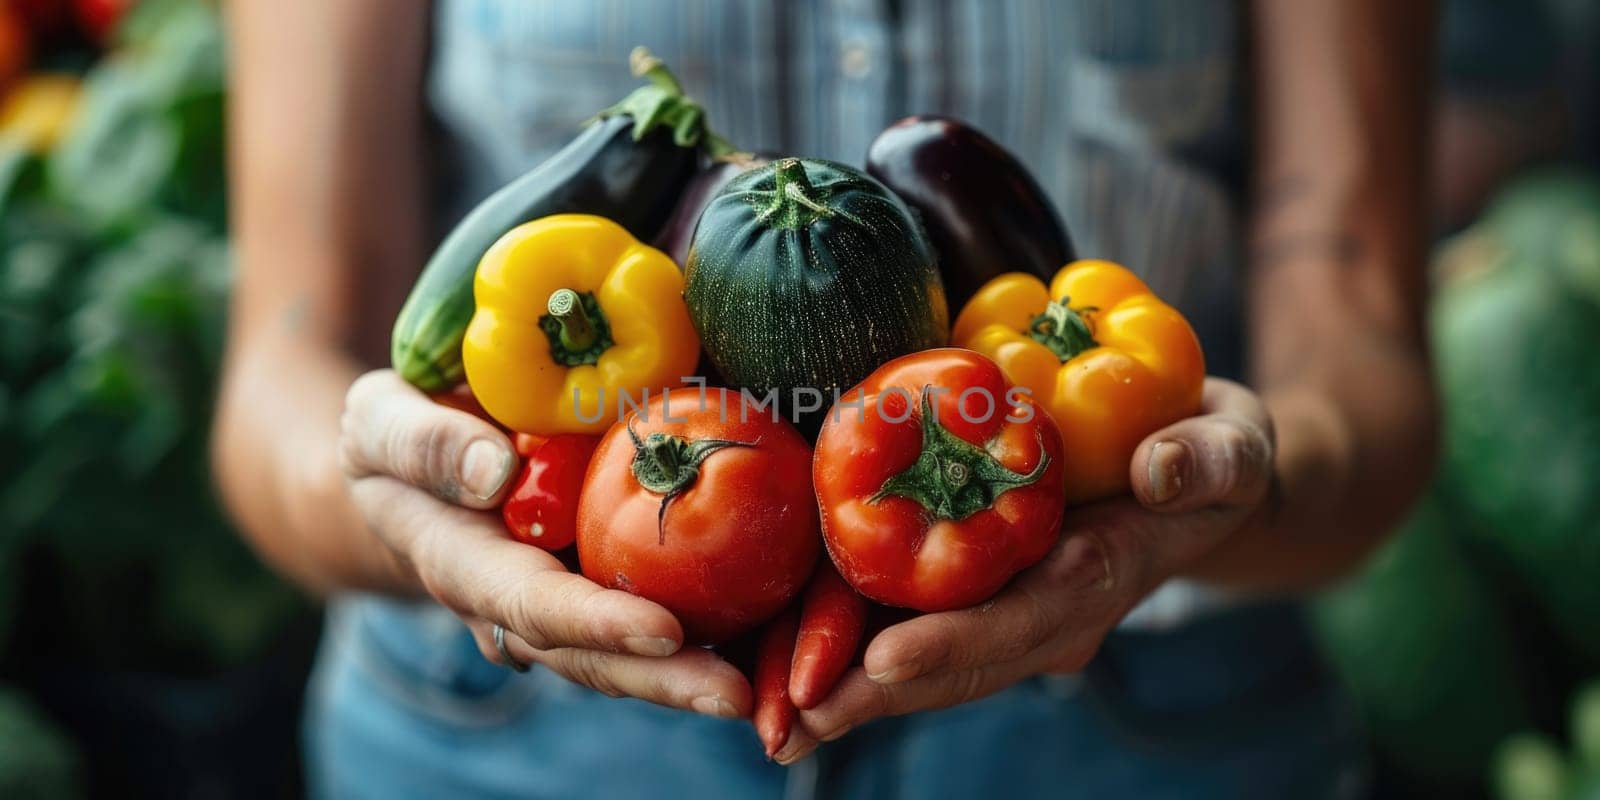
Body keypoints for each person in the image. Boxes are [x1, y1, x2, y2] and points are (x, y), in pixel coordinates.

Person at [214, 1, 1437, 796]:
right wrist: (408, 507)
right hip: (502, 740)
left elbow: (1364, 358)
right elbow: (281, 377)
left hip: (1150, 730)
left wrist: (1219, 493)